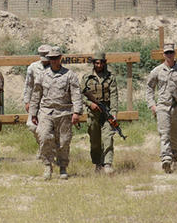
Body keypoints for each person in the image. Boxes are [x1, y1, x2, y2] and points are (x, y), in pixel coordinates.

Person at [30, 46, 83, 180]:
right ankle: (47, 166)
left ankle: (63, 167)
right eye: (51, 59)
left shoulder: (69, 75)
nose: (53, 61)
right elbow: (36, 94)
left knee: (64, 141)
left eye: (55, 58)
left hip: (64, 112)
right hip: (46, 111)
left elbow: (76, 94)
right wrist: (33, 113)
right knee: (44, 137)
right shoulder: (42, 75)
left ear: (60, 58)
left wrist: (77, 112)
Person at [146, 43, 177, 174]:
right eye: (167, 53)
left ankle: (174, 157)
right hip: (162, 107)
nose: (169, 55)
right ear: (164, 55)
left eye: (171, 53)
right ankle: (166, 159)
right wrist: (152, 105)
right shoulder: (157, 71)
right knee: (164, 134)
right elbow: (149, 88)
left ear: (174, 53)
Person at [82, 51, 118, 174]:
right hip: (93, 113)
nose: (99, 65)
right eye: (96, 63)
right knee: (95, 140)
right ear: (93, 63)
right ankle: (97, 163)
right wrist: (90, 104)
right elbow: (81, 95)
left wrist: (114, 113)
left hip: (106, 111)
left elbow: (114, 96)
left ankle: (107, 163)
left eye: (101, 63)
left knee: (108, 137)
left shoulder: (110, 77)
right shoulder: (87, 78)